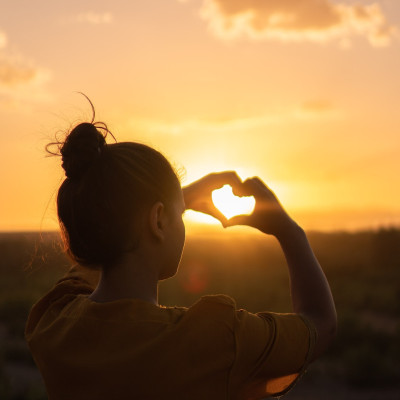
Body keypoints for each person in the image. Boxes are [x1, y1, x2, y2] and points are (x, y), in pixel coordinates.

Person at [25, 114, 337, 400]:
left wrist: (174, 200)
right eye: (179, 215)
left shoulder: (53, 322)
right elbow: (320, 324)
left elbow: (97, 254)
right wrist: (290, 231)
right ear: (158, 221)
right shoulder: (214, 340)